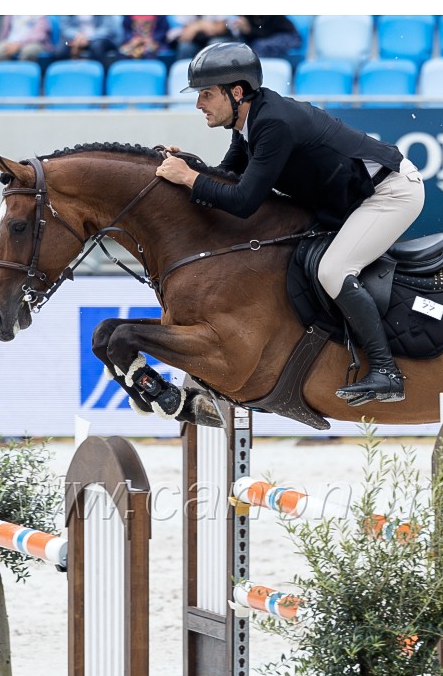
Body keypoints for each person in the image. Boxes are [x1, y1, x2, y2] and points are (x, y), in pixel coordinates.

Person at [155, 43, 425, 407]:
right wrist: (187, 166)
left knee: (333, 270)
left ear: (236, 92)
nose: (199, 104)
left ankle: (386, 371)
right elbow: (227, 176)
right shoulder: (249, 124)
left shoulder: (273, 124)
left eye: (206, 94)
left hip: (391, 193)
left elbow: (243, 202)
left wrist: (188, 177)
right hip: (353, 200)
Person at [54, 15, 121, 68]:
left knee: (97, 47)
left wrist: (88, 38)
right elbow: (65, 28)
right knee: (60, 50)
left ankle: (99, 74)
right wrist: (77, 36)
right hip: (74, 38)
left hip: (99, 38)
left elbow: (107, 28)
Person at [231, 16, 301, 60]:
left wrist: (249, 30)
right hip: (262, 40)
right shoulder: (245, 17)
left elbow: (267, 32)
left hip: (288, 37)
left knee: (259, 46)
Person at [167, 15, 236, 60]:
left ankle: (217, 74)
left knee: (214, 44)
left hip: (220, 37)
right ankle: (187, 75)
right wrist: (202, 25)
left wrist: (197, 26)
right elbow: (187, 34)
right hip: (196, 40)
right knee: (185, 47)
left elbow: (220, 29)